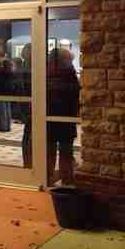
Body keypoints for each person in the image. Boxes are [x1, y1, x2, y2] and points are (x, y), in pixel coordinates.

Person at [47, 48, 80, 185]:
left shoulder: (46, 71)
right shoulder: (69, 73)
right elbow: (75, 92)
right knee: (65, 150)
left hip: (51, 116)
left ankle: (48, 177)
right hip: (65, 116)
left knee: (50, 149)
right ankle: (66, 179)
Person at [18, 43, 33, 168]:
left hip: (27, 103)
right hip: (30, 104)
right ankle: (29, 162)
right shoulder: (29, 67)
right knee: (29, 133)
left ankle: (28, 162)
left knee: (28, 133)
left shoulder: (23, 66)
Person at [0, 58, 14, 132]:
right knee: (8, 109)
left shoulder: (0, 72)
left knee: (2, 110)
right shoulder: (11, 72)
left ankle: (3, 126)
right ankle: (8, 125)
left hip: (1, 92)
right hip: (9, 92)